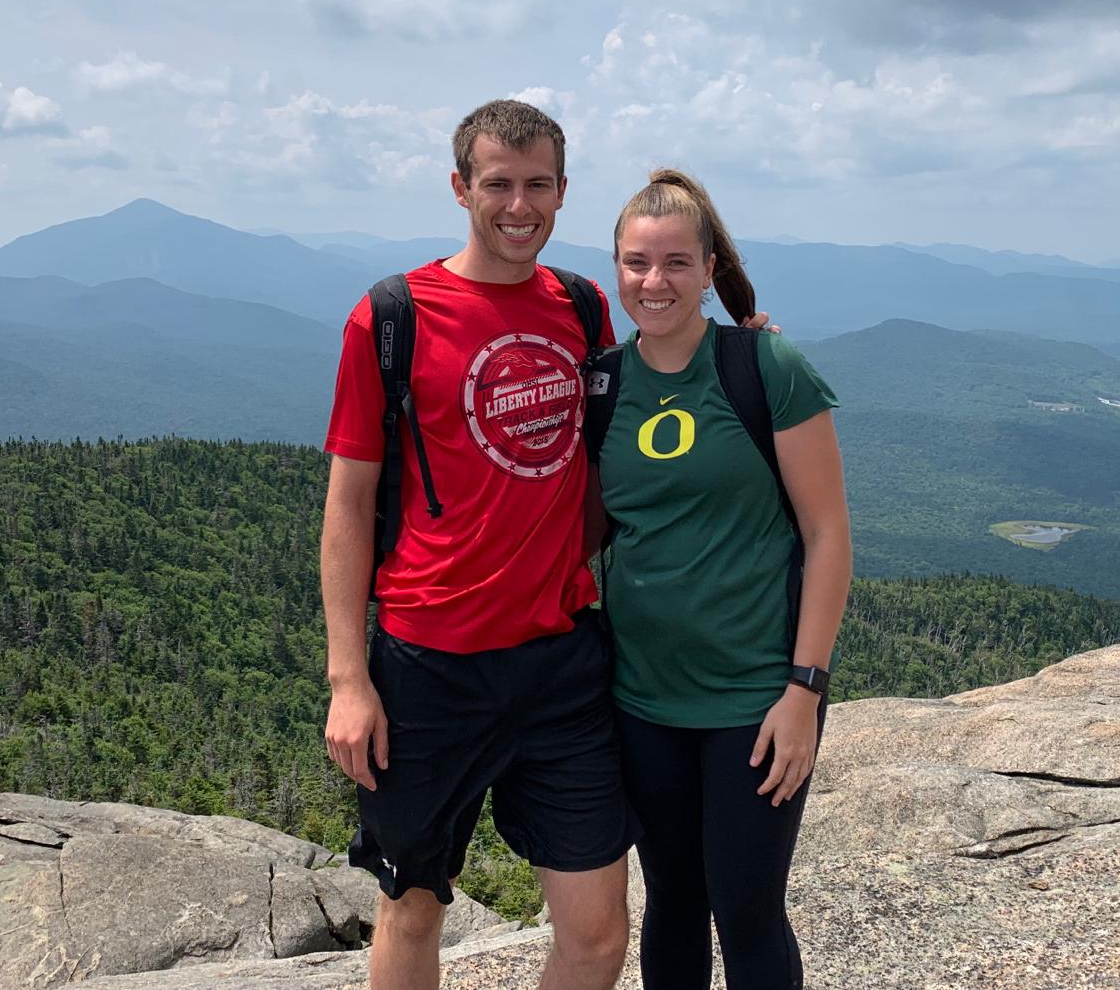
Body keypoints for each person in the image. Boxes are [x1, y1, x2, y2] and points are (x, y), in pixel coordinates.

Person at [319, 99, 637, 990]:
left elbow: (649, 411)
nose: (517, 204)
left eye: (538, 185)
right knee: (412, 908)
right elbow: (349, 505)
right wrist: (350, 678)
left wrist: (750, 360)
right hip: (429, 666)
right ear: (461, 187)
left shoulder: (583, 307)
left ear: (564, 192)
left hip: (564, 663)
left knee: (598, 934)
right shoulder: (391, 317)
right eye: (497, 183)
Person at [590, 169, 852, 990]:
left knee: (745, 909)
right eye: (636, 264)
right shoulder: (602, 385)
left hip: (753, 701)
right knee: (672, 901)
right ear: (616, 272)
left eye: (674, 263)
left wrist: (805, 690)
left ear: (710, 269)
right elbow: (596, 534)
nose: (653, 282)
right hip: (642, 702)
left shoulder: (764, 366)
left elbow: (828, 532)